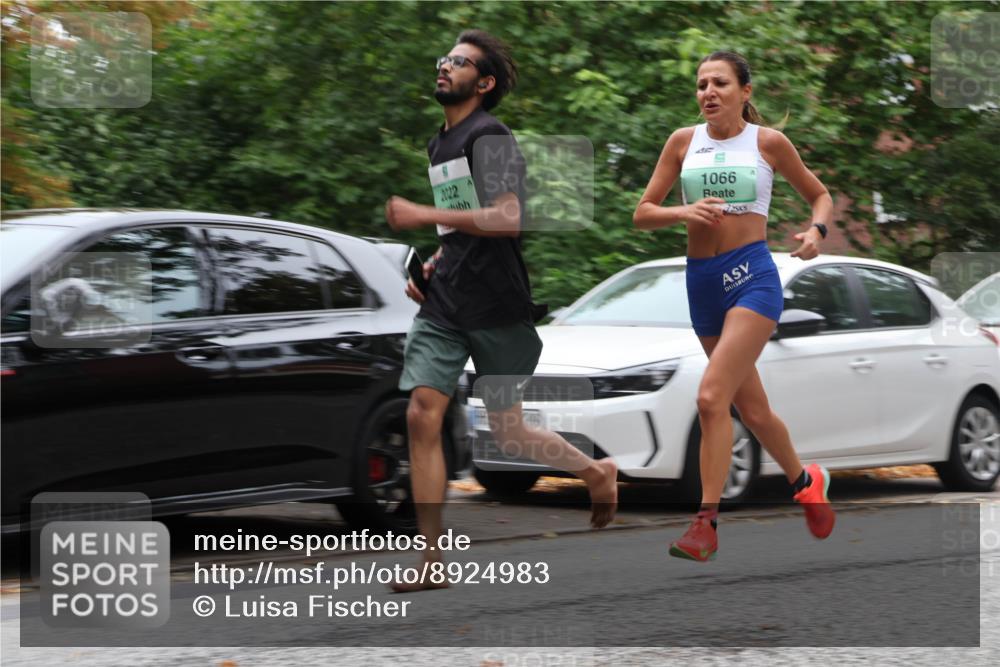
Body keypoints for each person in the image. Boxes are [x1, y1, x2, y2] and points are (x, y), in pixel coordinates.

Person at [384, 29, 619, 590]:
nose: (445, 66)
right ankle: (432, 560)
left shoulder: (491, 136)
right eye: (445, 58)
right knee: (421, 413)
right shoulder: (439, 144)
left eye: (460, 62)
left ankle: (595, 471)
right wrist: (436, 262)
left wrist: (421, 214)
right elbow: (462, 226)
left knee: (509, 433)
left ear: (484, 83)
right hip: (446, 302)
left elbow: (507, 217)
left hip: (496, 303)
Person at [633, 51, 836, 562]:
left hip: (752, 277)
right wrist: (684, 211)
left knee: (710, 398)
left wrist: (816, 231)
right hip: (702, 281)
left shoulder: (768, 143)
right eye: (702, 83)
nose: (708, 91)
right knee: (754, 411)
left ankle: (705, 523)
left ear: (744, 92)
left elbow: (820, 195)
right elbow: (643, 213)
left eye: (720, 83)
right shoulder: (682, 142)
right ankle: (806, 482)